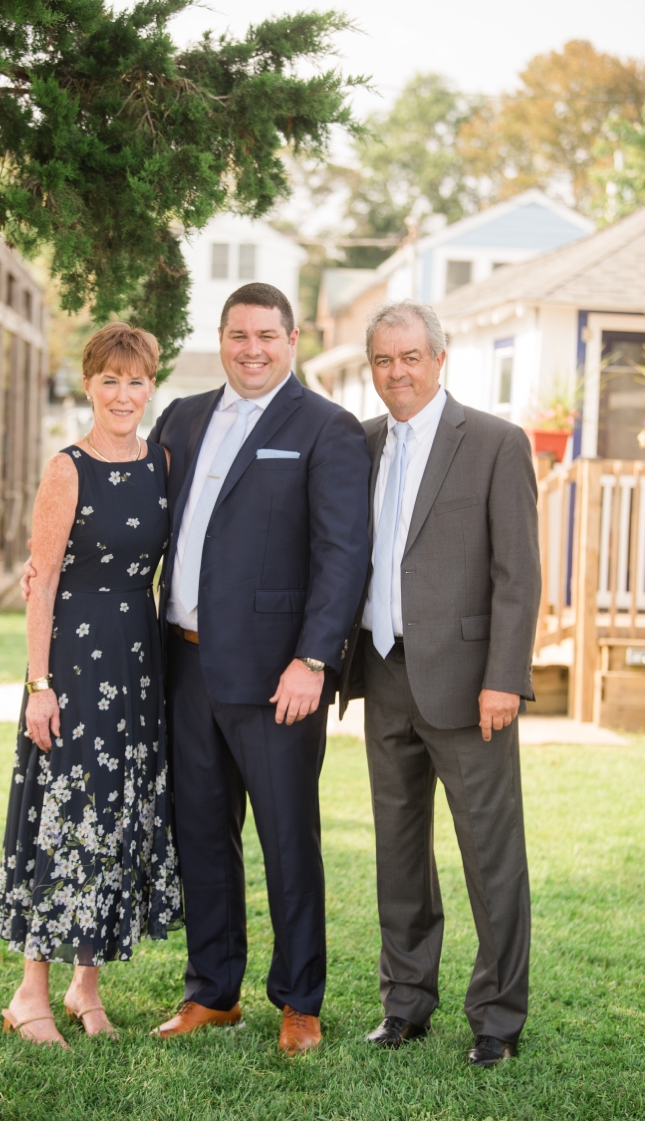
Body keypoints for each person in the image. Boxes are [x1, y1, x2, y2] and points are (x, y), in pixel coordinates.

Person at [149, 283, 369, 1055]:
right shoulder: (181, 416)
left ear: (294, 338)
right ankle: (214, 990)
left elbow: (343, 558)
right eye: (239, 335)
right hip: (185, 663)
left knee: (287, 838)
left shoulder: (326, 428)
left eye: (267, 336)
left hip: (280, 675)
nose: (252, 349)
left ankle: (299, 999)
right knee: (201, 834)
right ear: (221, 337)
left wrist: (314, 659)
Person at [338, 300, 539, 1068]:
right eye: (384, 360)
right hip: (383, 671)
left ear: (440, 359)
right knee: (398, 848)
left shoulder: (493, 442)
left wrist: (504, 679)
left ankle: (497, 1017)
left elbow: (517, 574)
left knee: (490, 854)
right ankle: (405, 1004)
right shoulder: (360, 444)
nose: (397, 372)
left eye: (411, 357)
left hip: (469, 685)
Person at [0, 323, 182, 1047]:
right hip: (73, 665)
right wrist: (38, 682)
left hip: (138, 663)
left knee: (117, 821)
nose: (124, 394)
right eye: (110, 380)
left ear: (150, 386)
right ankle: (29, 992)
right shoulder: (67, 467)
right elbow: (39, 586)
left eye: (136, 381)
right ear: (89, 385)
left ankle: (85, 985)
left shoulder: (162, 461)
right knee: (65, 818)